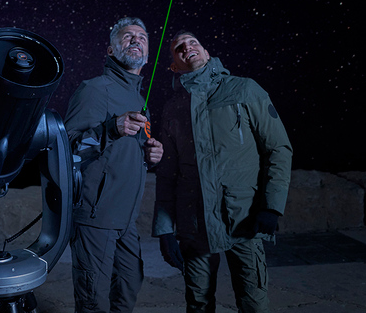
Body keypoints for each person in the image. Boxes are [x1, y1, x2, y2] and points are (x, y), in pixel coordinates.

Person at [152, 31, 293, 313]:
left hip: (244, 218)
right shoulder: (173, 108)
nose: (187, 48)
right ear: (174, 66)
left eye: (193, 43)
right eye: (179, 48)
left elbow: (278, 148)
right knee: (198, 302)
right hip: (195, 224)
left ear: (206, 52)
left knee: (252, 301)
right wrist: (165, 230)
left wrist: (272, 207)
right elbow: (167, 173)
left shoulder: (244, 89)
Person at [64, 17, 164, 313]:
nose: (136, 40)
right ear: (110, 50)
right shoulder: (95, 89)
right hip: (96, 218)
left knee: (128, 287)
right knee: (93, 300)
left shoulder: (138, 97)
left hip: (126, 220)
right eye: (127, 36)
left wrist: (150, 155)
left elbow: (123, 153)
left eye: (142, 37)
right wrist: (109, 129)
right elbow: (66, 149)